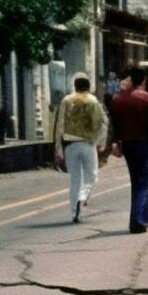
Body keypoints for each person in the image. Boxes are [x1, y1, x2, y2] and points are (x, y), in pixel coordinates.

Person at [108, 65, 148, 233]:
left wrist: (116, 142)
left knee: (136, 181)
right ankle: (137, 221)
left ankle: (146, 217)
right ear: (143, 80)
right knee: (144, 183)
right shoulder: (147, 98)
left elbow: (114, 125)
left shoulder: (117, 99)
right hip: (143, 143)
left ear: (130, 79)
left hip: (127, 144)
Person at [53, 74, 108, 224]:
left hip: (70, 145)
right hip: (87, 144)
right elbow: (101, 122)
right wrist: (100, 142)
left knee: (75, 179)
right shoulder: (92, 101)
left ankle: (73, 212)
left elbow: (59, 125)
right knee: (91, 176)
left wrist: (58, 149)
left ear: (75, 86)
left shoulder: (66, 100)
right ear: (88, 87)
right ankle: (82, 198)